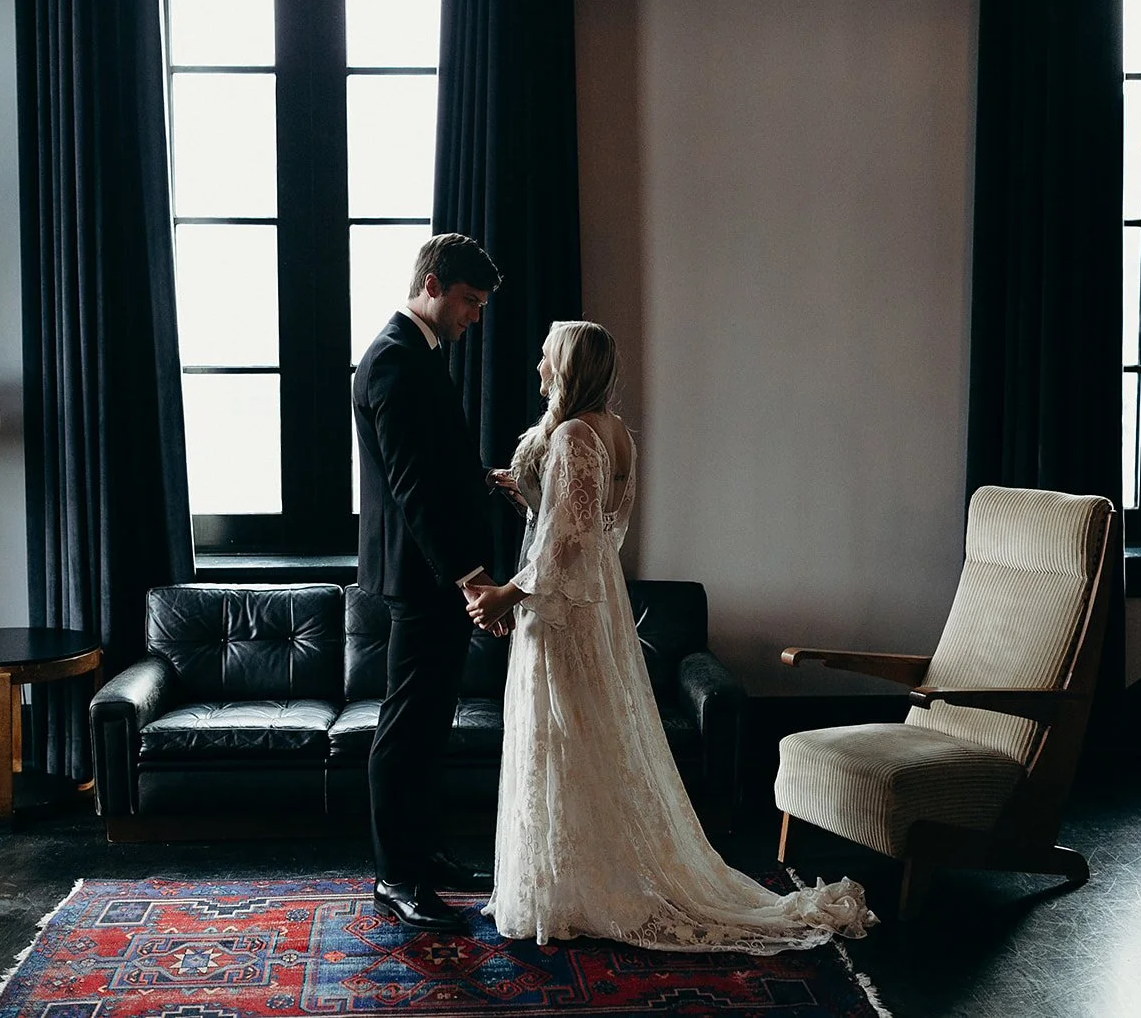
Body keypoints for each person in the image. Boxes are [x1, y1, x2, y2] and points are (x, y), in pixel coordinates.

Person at [465, 320, 878, 953]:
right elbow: (587, 525)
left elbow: (564, 545)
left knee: (563, 737)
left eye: (547, 358)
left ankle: (575, 889)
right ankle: (581, 877)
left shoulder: (574, 433)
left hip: (563, 614)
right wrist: (525, 490)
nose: (538, 368)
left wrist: (505, 593)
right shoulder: (613, 433)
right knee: (586, 737)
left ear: (570, 367)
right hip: (593, 605)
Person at [353, 232, 508, 934]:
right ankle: (395, 874)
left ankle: (425, 853)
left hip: (434, 577)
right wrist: (471, 575)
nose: (474, 317)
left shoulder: (417, 353)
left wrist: (484, 480)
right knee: (406, 727)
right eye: (470, 303)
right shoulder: (392, 359)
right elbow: (412, 488)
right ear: (435, 284)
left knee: (430, 723)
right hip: (424, 580)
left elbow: (434, 462)